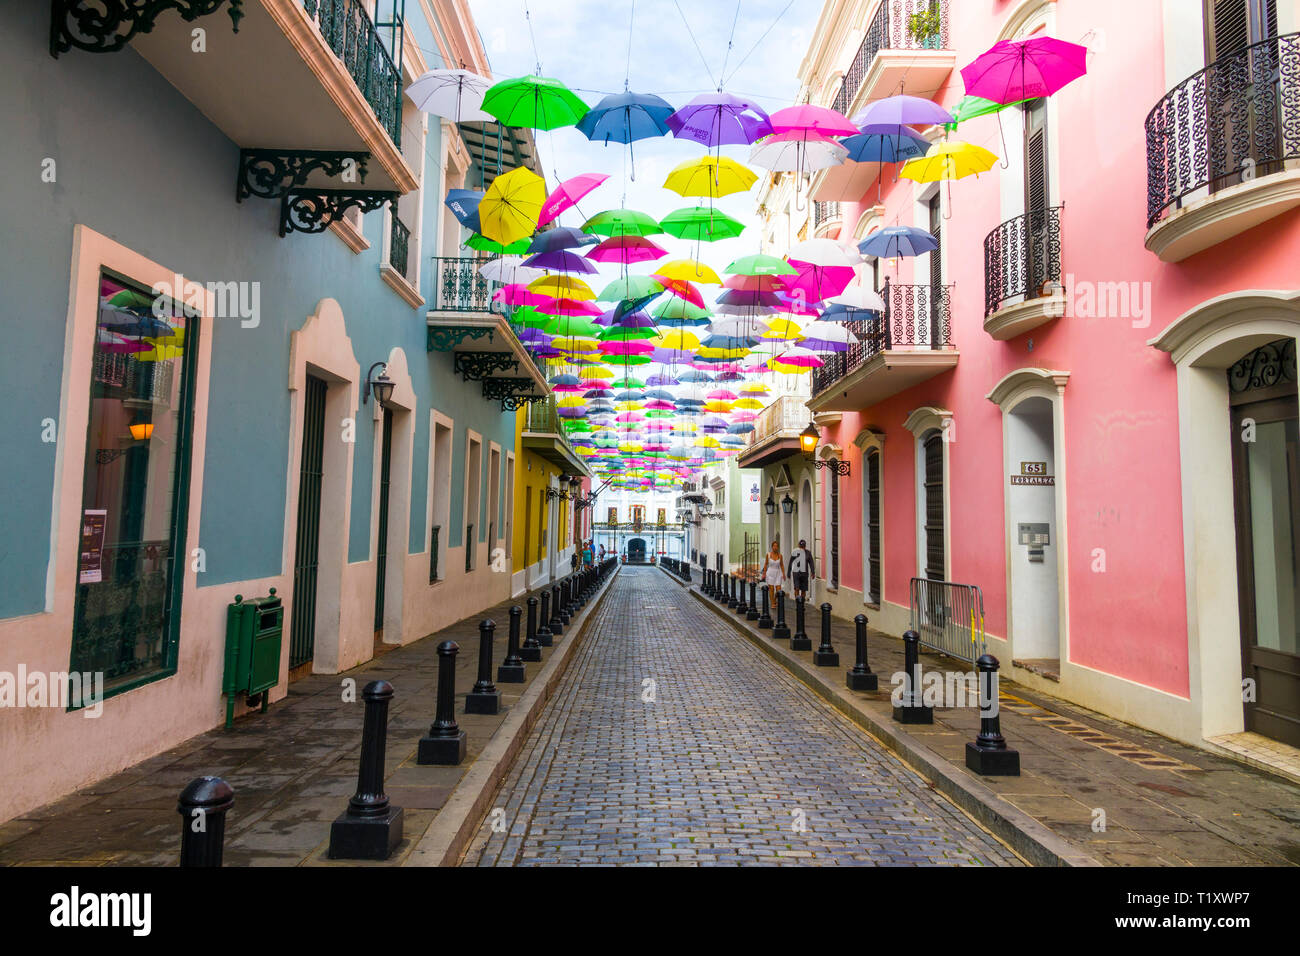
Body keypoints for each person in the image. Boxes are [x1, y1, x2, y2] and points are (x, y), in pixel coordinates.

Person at [761, 539, 785, 604]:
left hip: (778, 573)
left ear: (778, 547)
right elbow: (766, 564)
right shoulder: (768, 555)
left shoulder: (780, 555)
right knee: (771, 589)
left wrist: (783, 574)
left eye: (776, 546)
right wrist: (764, 573)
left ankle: (774, 599)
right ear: (772, 547)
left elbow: (782, 565)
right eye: (774, 546)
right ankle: (772, 602)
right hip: (770, 572)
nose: (775, 547)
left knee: (778, 589)